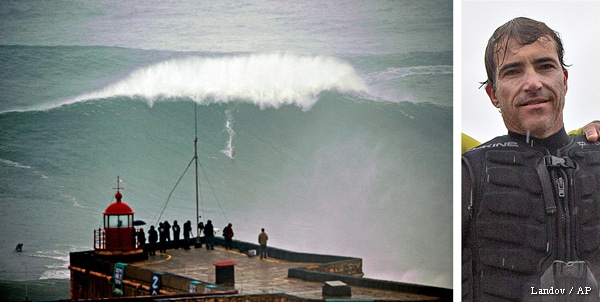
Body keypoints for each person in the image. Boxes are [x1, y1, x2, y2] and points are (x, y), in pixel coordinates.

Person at [462, 17, 600, 301]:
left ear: (564, 79)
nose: (533, 82)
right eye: (513, 71)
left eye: (545, 66)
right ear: (493, 94)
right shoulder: (468, 174)